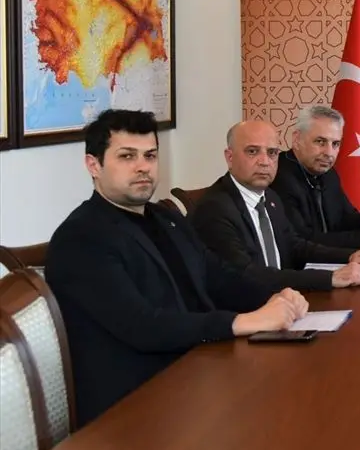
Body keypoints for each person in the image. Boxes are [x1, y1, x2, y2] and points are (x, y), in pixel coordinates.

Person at [44, 109, 309, 427]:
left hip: (200, 374)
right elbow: (142, 326)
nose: (143, 166)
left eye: (150, 156)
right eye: (127, 156)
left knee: (299, 403)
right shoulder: (81, 237)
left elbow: (218, 277)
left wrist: (275, 298)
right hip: (135, 409)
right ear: (93, 165)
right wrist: (244, 321)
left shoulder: (165, 218)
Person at [190, 120, 360, 292]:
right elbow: (246, 276)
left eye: (272, 153)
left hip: (284, 299)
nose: (265, 162)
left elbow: (293, 245)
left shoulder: (270, 197)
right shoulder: (214, 209)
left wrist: (349, 256)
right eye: (252, 151)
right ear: (230, 157)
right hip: (248, 309)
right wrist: (329, 278)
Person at [272, 105, 360, 250]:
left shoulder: (329, 174)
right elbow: (303, 240)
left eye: (335, 144)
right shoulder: (278, 176)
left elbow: (347, 218)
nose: (329, 153)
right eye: (320, 142)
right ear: (297, 139)